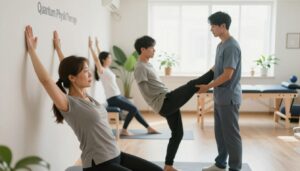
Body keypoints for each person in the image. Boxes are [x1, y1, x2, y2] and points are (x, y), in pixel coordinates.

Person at [25, 25, 163, 171]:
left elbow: (67, 68)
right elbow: (46, 81)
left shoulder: (87, 97)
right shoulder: (68, 103)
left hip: (116, 154)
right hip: (99, 164)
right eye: (85, 71)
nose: (90, 74)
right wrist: (32, 51)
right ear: (72, 78)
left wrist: (58, 49)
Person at [133, 36, 214, 171]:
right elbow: (144, 90)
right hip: (164, 102)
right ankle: (214, 70)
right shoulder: (140, 67)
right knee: (192, 85)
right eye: (152, 47)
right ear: (143, 49)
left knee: (178, 134)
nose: (154, 50)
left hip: (166, 100)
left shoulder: (147, 64)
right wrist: (156, 104)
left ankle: (168, 166)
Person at [198, 11, 243, 171]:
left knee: (231, 136)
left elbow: (227, 75)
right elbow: (217, 67)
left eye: (213, 26)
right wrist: (202, 80)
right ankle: (220, 164)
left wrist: (207, 87)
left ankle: (235, 168)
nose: (211, 29)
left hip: (229, 98)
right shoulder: (221, 45)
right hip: (220, 97)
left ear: (223, 26)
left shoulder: (231, 46)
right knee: (220, 134)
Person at [88, 37, 158, 136]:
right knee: (133, 109)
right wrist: (91, 47)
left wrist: (97, 46)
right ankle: (124, 130)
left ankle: (149, 128)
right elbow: (97, 59)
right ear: (104, 60)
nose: (111, 59)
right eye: (109, 58)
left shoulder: (106, 69)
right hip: (112, 98)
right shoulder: (102, 71)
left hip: (118, 95)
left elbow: (100, 56)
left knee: (135, 109)